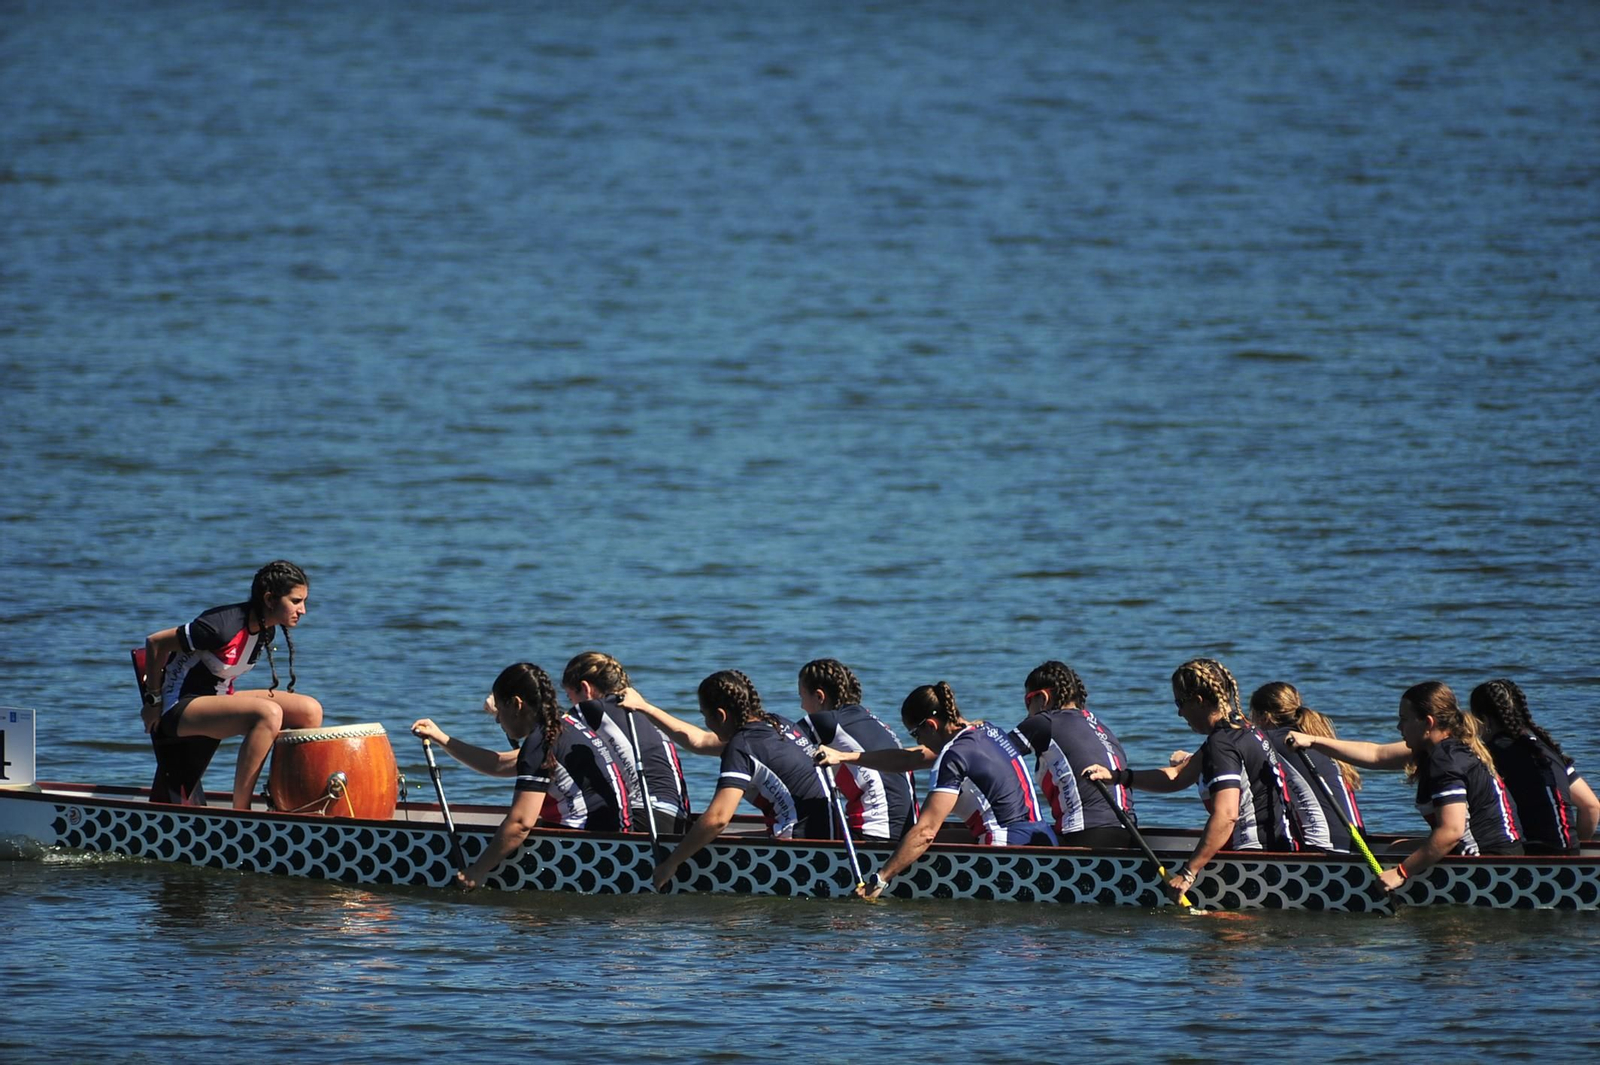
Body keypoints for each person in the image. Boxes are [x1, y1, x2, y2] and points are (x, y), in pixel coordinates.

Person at [1084, 658, 1302, 901]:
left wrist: (1188, 873)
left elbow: (1226, 815)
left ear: (1198, 701)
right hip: (1279, 853)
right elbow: (1176, 777)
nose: (1179, 713)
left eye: (1180, 703)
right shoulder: (1245, 730)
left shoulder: (1224, 743)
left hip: (1255, 864)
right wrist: (1117, 777)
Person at [1289, 681, 1523, 893]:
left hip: (1488, 863)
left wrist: (1400, 874)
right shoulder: (1444, 746)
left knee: (1397, 856)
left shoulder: (1446, 760)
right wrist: (1314, 741)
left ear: (1427, 723)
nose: (1399, 726)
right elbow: (1376, 754)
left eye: (1404, 718)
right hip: (1501, 851)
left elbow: (1451, 832)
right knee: (1394, 849)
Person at [831, 682, 1054, 899]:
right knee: (930, 838)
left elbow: (926, 832)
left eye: (915, 734)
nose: (918, 742)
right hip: (1043, 839)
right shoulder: (986, 731)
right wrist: (843, 757)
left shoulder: (953, 756)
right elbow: (909, 758)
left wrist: (880, 879)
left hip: (1005, 852)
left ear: (930, 725)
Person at [624, 670, 834, 891]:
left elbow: (718, 819)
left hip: (801, 853)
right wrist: (645, 707)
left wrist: (671, 863)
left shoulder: (741, 747)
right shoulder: (777, 724)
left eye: (705, 716)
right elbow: (700, 741)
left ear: (721, 715)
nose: (706, 724)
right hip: (827, 834)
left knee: (706, 833)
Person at [139, 560, 324, 809]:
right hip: (179, 706)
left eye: (304, 602)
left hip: (218, 697)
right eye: (295, 601)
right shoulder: (219, 628)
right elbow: (155, 643)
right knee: (268, 714)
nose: (302, 610)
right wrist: (153, 701)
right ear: (270, 599)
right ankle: (242, 811)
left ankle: (287, 801)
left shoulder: (267, 629)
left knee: (309, 710)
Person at [447, 662, 632, 890]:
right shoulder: (568, 725)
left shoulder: (540, 743)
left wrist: (476, 871)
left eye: (500, 712)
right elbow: (499, 766)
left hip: (592, 853)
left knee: (520, 921)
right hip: (621, 843)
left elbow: (520, 824)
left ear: (517, 704)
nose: (497, 720)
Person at [1009, 660, 1135, 848]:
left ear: (1043, 698)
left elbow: (992, 754)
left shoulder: (1044, 722)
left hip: (1085, 836)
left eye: (1028, 701)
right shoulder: (1101, 727)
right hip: (1130, 835)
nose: (1027, 712)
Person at [562, 651, 691, 835]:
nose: (571, 702)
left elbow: (548, 743)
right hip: (680, 822)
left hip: (646, 819)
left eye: (569, 696)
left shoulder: (590, 709)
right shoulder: (645, 712)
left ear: (585, 688)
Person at [1468, 679, 1598, 854]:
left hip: (1534, 855)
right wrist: (1577, 851)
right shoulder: (1546, 750)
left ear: (1484, 720)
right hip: (1568, 851)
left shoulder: (1491, 754)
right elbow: (1591, 806)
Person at [795, 658, 917, 843]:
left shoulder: (826, 721)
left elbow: (779, 742)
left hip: (872, 836)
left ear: (819, 697)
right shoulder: (872, 720)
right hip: (907, 835)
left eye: (801, 697)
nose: (802, 706)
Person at [1249, 681, 1363, 853]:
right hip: (1358, 845)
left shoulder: (1268, 740)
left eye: (1252, 716)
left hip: (1323, 849)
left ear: (1264, 717)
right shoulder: (1318, 738)